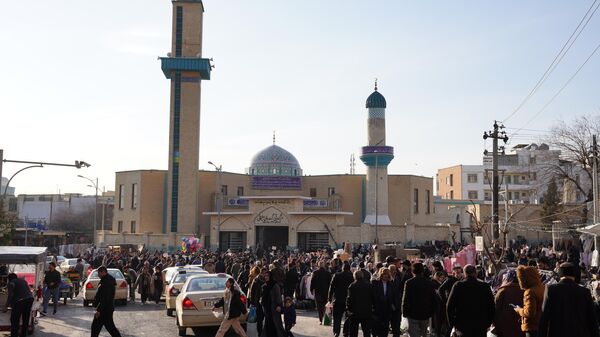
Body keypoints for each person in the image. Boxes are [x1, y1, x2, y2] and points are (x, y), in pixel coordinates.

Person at [538, 262, 599, 337]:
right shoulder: (585, 292)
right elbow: (592, 319)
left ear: (560, 273)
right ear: (573, 274)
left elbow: (544, 318)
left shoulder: (551, 290)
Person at [446, 264, 495, 337]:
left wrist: (453, 324)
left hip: (462, 326)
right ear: (476, 273)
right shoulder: (485, 287)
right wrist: (488, 322)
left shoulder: (458, 286)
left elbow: (449, 306)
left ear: (464, 273)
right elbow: (492, 306)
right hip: (480, 326)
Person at [402, 262, 436, 337]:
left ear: (413, 271)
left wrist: (404, 312)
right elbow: (433, 299)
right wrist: (431, 312)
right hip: (425, 314)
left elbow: (406, 299)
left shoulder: (409, 283)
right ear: (422, 271)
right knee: (424, 334)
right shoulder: (429, 283)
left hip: (412, 314)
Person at [91, 266, 122, 337]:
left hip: (105, 310)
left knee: (107, 327)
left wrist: (99, 310)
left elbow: (105, 298)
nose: (98, 275)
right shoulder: (106, 280)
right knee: (99, 327)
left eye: (99, 273)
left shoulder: (107, 282)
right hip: (105, 309)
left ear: (103, 272)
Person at [514, 265, 544, 337]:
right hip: (541, 324)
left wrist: (519, 310)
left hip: (532, 327)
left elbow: (529, 312)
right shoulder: (542, 288)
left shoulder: (530, 292)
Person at [493, 269, 525, 337]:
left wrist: (495, 324)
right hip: (521, 325)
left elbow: (496, 309)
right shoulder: (525, 291)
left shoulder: (503, 290)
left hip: (504, 325)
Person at [328, 261, 354, 337]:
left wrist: (329, 299)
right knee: (348, 317)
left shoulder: (336, 275)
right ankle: (345, 332)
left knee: (337, 317)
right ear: (349, 269)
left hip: (338, 299)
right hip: (348, 300)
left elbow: (331, 287)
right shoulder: (352, 277)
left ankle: (336, 332)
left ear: (342, 268)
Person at [346, 270, 372, 337]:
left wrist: (348, 309)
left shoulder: (352, 286)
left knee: (353, 332)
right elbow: (372, 298)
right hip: (366, 311)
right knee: (366, 331)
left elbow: (349, 299)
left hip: (355, 312)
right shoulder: (369, 285)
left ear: (355, 276)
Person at [261, 269, 285, 337]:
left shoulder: (275, 285)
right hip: (266, 308)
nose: (266, 277)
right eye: (265, 276)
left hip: (274, 308)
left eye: (267, 276)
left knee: (276, 324)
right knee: (268, 324)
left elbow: (278, 296)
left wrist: (279, 305)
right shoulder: (264, 286)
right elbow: (263, 296)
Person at [371, 267, 396, 337]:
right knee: (376, 327)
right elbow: (373, 295)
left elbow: (393, 295)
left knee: (385, 327)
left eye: (387, 274)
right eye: (384, 274)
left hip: (387, 308)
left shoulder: (390, 283)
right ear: (381, 274)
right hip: (377, 307)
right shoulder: (375, 283)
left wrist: (393, 304)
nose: (385, 276)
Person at [249, 267, 267, 336]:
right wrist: (252, 302)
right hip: (258, 303)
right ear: (261, 273)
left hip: (264, 303)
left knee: (263, 319)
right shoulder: (256, 280)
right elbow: (252, 292)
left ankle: (263, 333)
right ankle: (260, 333)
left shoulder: (266, 280)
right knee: (259, 319)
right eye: (264, 273)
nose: (265, 275)